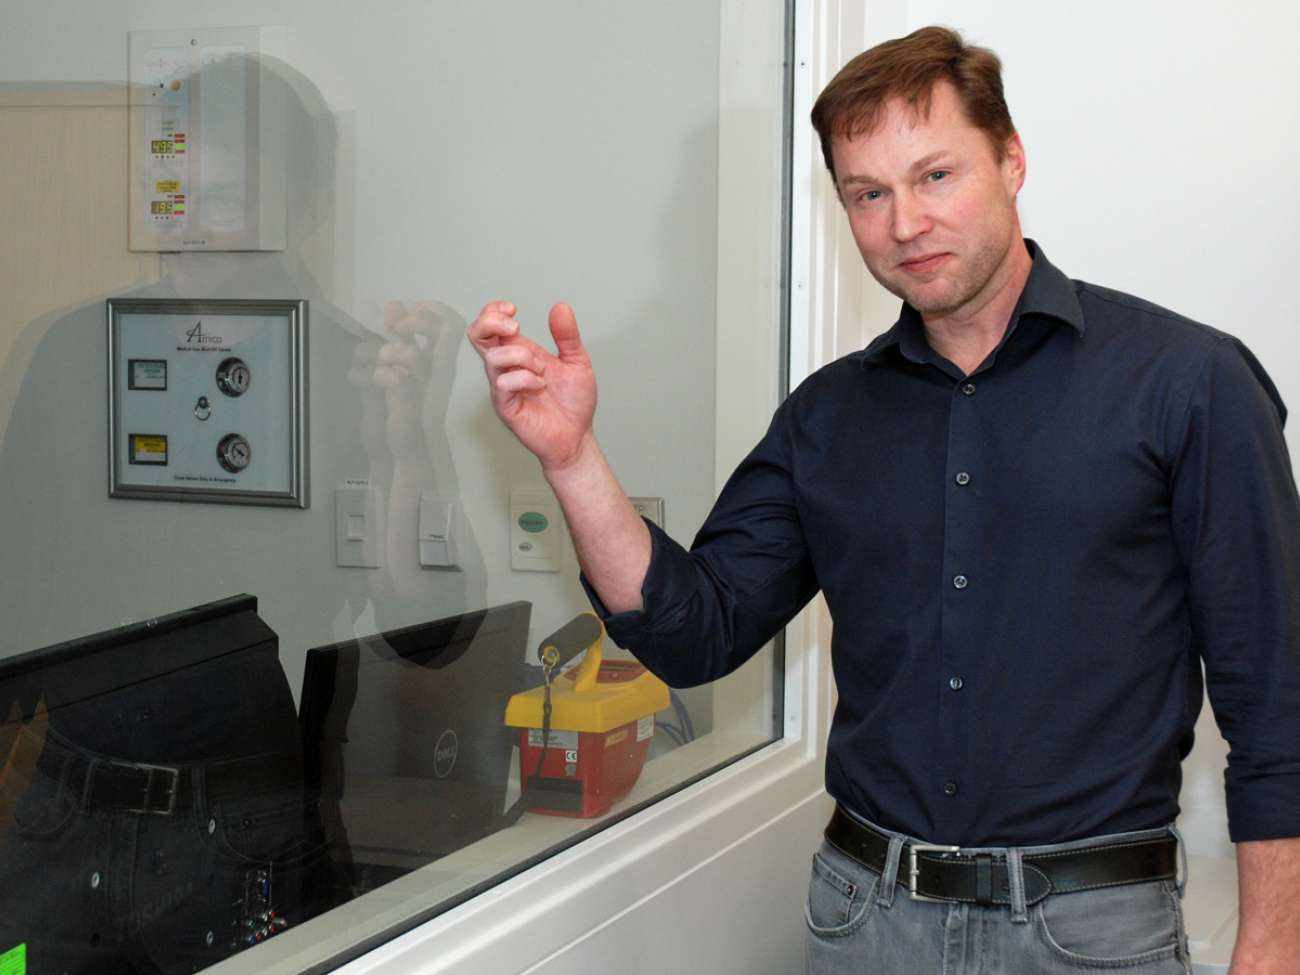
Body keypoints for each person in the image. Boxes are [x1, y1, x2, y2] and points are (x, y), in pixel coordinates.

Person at [468, 25, 1300, 975]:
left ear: (1012, 160)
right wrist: (573, 460)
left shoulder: (1190, 383)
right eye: (869, 194)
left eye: (935, 176)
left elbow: (1277, 703)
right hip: (867, 923)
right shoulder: (827, 417)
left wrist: (1274, 947)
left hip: (1093, 934)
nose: (905, 222)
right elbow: (694, 630)